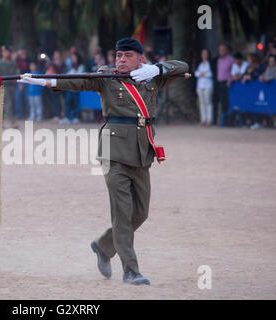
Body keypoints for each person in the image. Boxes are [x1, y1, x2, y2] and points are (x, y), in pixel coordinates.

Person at [19, 37, 188, 285]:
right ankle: (131, 270)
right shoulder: (106, 76)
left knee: (140, 214)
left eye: (127, 55)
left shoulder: (150, 77)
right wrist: (46, 80)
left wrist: (157, 68)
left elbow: (182, 67)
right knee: (123, 213)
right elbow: (80, 81)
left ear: (140, 59)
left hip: (141, 152)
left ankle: (103, 246)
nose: (120, 60)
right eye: (118, 55)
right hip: (113, 151)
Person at [0, 45, 20, 128]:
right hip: (3, 85)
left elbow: (17, 73)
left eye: (7, 52)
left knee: (9, 104)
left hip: (12, 85)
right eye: (4, 52)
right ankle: (10, 123)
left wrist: (20, 84)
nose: (6, 53)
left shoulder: (13, 63)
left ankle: (2, 123)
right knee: (7, 104)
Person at [215, 44, 234, 126]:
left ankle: (229, 121)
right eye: (220, 50)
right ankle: (222, 121)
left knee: (227, 102)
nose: (221, 51)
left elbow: (233, 71)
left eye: (223, 49)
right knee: (222, 102)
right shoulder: (219, 60)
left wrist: (230, 79)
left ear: (227, 50)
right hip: (219, 83)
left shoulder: (231, 60)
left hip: (227, 83)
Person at [194, 49, 214, 125]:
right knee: (202, 103)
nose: (204, 55)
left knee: (208, 102)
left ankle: (209, 119)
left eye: (205, 53)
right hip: (200, 85)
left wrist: (202, 74)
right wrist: (203, 74)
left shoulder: (210, 64)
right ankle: (203, 119)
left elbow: (211, 74)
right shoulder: (200, 64)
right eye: (203, 53)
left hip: (208, 85)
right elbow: (196, 73)